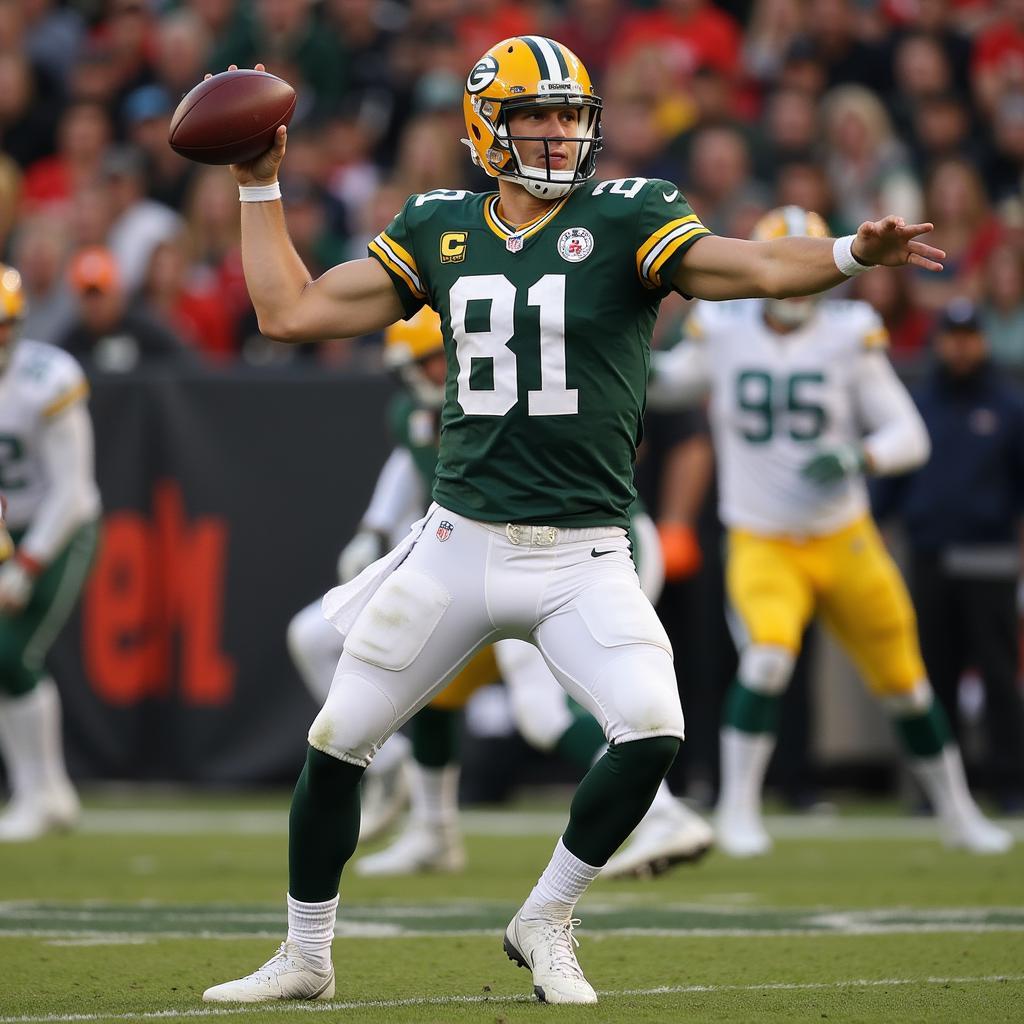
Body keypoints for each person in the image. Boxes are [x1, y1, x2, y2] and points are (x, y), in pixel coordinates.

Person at [203, 38, 946, 1006]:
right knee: (339, 736)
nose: (558, 135)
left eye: (569, 115)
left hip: (583, 550)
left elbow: (755, 264)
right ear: (485, 128)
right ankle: (305, 952)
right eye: (535, 117)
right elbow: (291, 312)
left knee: (649, 729)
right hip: (457, 540)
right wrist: (259, 186)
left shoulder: (632, 212)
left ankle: (547, 913)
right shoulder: (437, 226)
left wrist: (849, 252)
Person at [287, 305, 714, 879]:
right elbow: (411, 461)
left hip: (579, 551)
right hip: (505, 558)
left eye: (441, 359)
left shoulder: (512, 391)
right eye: (429, 362)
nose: (438, 373)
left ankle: (660, 812)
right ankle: (433, 828)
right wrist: (375, 526)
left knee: (554, 707)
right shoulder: (420, 412)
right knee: (431, 682)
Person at [648, 207, 1012, 859]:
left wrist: (860, 457)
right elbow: (672, 385)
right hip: (761, 536)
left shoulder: (849, 333)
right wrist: (627, 362)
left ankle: (956, 812)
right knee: (766, 657)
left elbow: (908, 435)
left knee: (906, 680)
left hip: (842, 534)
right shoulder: (724, 329)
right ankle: (736, 810)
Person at [872, 298, 1024, 813]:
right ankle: (942, 791)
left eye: (968, 335)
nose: (960, 346)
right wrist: (873, 523)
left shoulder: (1008, 407)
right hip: (930, 553)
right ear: (940, 341)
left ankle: (1008, 782)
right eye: (951, 335)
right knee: (933, 672)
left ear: (981, 341)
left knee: (998, 674)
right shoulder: (919, 404)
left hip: (989, 556)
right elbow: (893, 482)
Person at [0, 263, 102, 841]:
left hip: (60, 527)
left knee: (12, 654)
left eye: (4, 324)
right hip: (10, 527)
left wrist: (27, 564)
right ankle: (36, 791)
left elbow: (74, 489)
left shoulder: (46, 376)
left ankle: (44, 793)